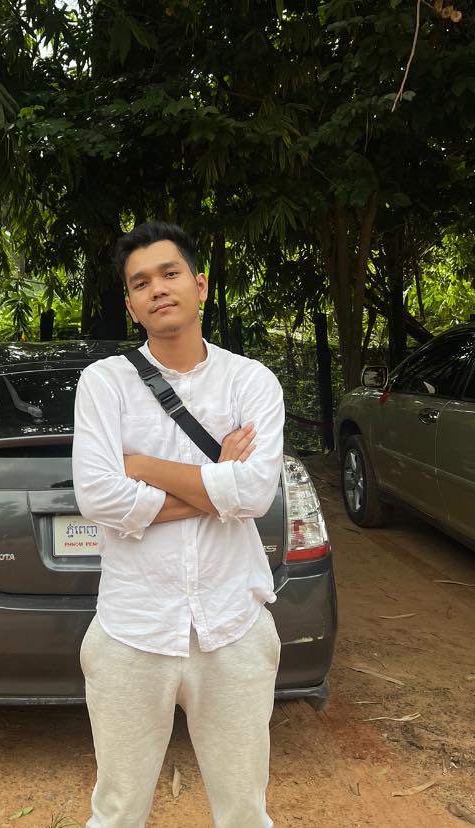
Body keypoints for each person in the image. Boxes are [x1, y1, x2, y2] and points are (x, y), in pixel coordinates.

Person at [72, 221, 285, 828]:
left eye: (170, 274)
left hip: (233, 629)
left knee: (245, 813)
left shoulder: (251, 381)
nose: (158, 289)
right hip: (132, 630)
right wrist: (217, 484)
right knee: (117, 811)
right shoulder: (104, 384)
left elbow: (255, 492)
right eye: (141, 283)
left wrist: (142, 468)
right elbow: (97, 496)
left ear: (201, 285)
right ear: (130, 305)